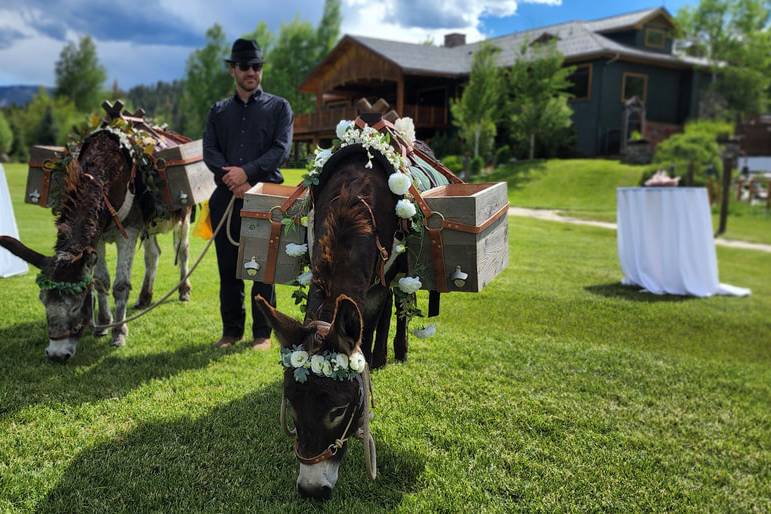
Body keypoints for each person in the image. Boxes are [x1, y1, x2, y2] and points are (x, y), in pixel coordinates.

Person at [203, 38, 293, 350]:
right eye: (245, 66)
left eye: (257, 66)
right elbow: (210, 151)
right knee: (228, 270)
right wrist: (232, 179)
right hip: (225, 199)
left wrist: (247, 174)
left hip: (264, 197)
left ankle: (262, 334)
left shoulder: (280, 107)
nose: (252, 72)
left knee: (262, 269)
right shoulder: (218, 111)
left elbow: (280, 150)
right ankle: (231, 332)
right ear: (233, 70)